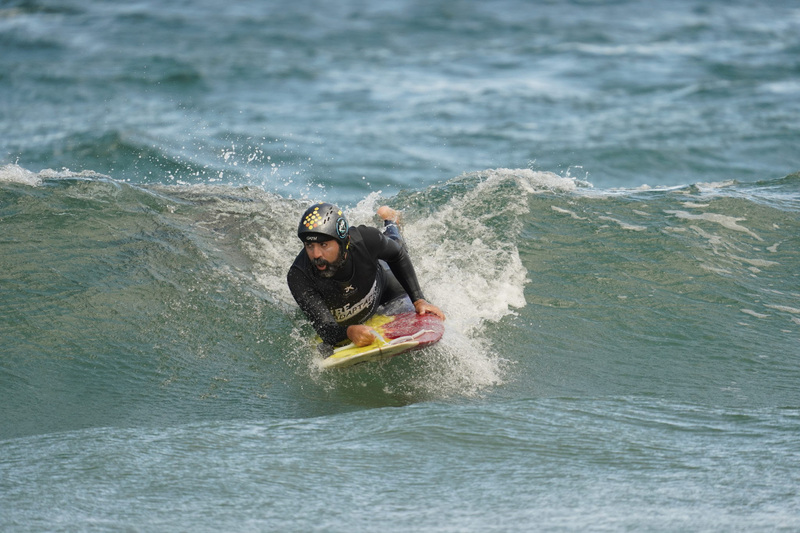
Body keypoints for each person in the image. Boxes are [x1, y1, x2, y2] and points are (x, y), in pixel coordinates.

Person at [287, 202, 445, 354]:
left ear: (344, 242)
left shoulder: (365, 239)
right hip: (347, 317)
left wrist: (418, 299)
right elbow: (326, 329)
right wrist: (348, 331)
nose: (316, 255)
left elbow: (398, 256)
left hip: (385, 289)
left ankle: (390, 218)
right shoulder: (299, 276)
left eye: (324, 245)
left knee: (396, 243)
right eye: (309, 245)